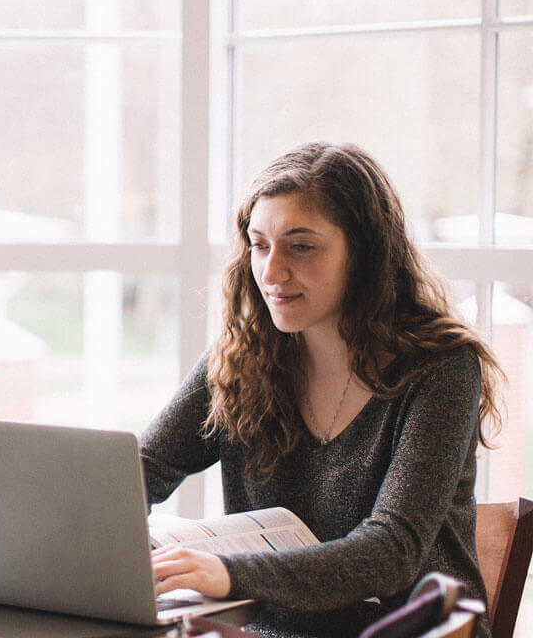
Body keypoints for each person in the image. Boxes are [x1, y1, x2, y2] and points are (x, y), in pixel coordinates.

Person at [141, 142, 503, 638]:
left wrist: (228, 571)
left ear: (366, 254)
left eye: (301, 246)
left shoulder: (441, 369)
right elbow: (143, 468)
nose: (270, 272)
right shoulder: (242, 357)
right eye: (259, 244)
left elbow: (391, 551)